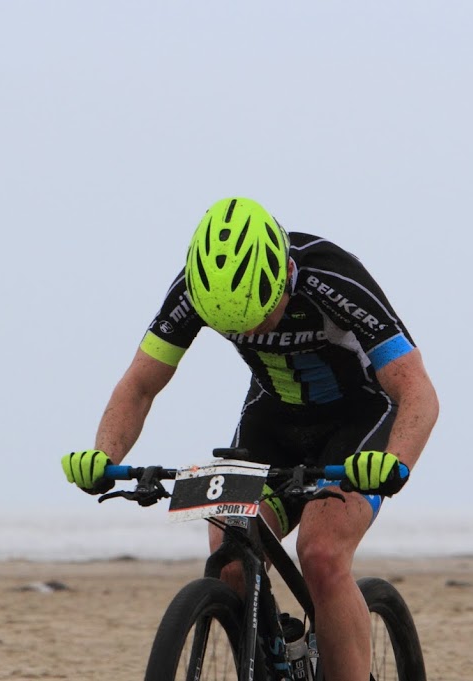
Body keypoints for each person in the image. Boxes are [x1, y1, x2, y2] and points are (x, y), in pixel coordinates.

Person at [62, 197, 438, 681]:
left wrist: (395, 461)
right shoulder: (195, 290)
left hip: (359, 418)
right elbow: (139, 385)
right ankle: (273, 652)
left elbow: (418, 391)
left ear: (283, 275)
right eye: (234, 328)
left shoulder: (333, 277)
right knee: (229, 555)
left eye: (260, 317)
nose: (251, 332)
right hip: (273, 419)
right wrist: (104, 454)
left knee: (321, 554)